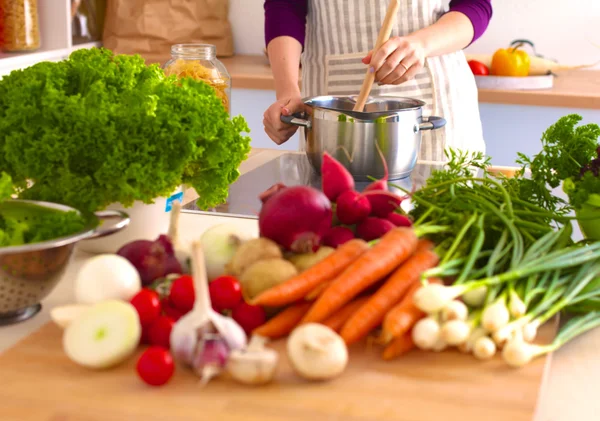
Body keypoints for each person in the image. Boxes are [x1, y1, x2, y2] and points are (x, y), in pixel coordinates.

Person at [262, 0, 493, 163]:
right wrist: (287, 91)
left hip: (435, 94)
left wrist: (421, 45)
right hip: (329, 107)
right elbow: (285, 6)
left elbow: (475, 4)